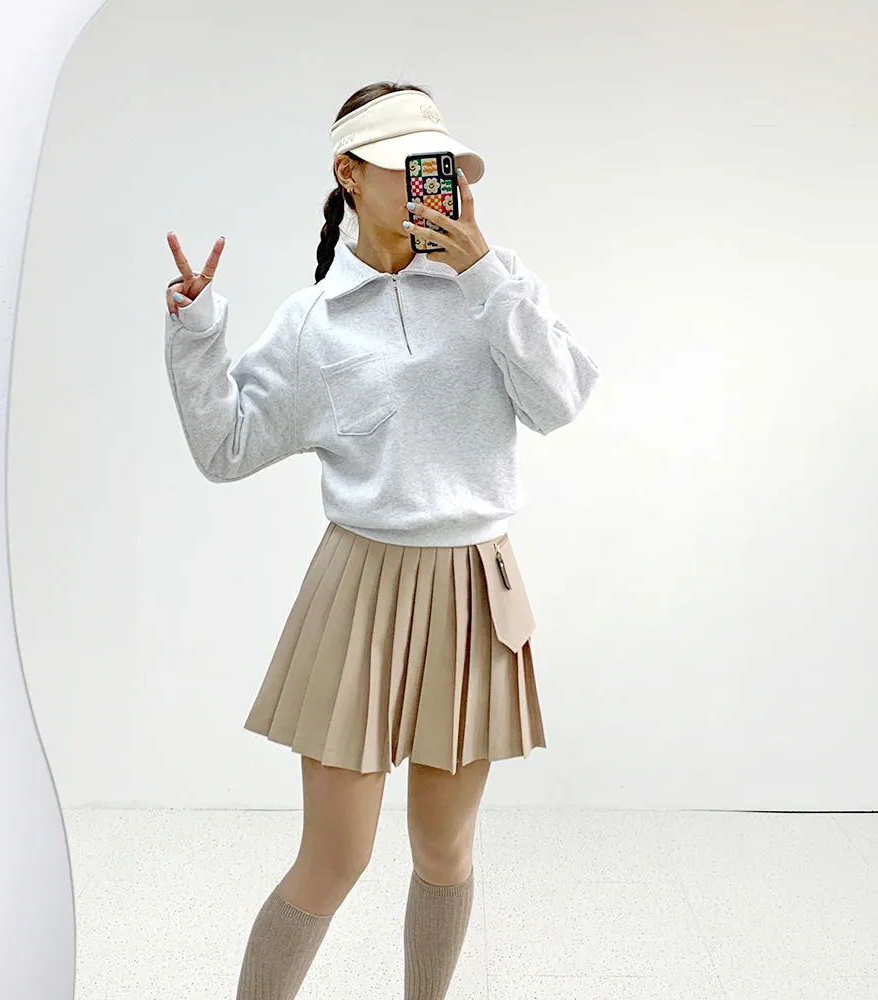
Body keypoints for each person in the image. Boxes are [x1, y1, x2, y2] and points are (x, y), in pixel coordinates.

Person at [162, 81, 600, 1000]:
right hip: (358, 591)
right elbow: (227, 448)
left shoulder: (496, 286)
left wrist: (485, 275)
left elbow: (558, 402)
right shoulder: (314, 323)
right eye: (406, 168)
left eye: (439, 168)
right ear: (349, 175)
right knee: (335, 857)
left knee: (445, 849)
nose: (430, 186)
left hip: (476, 588)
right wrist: (198, 335)